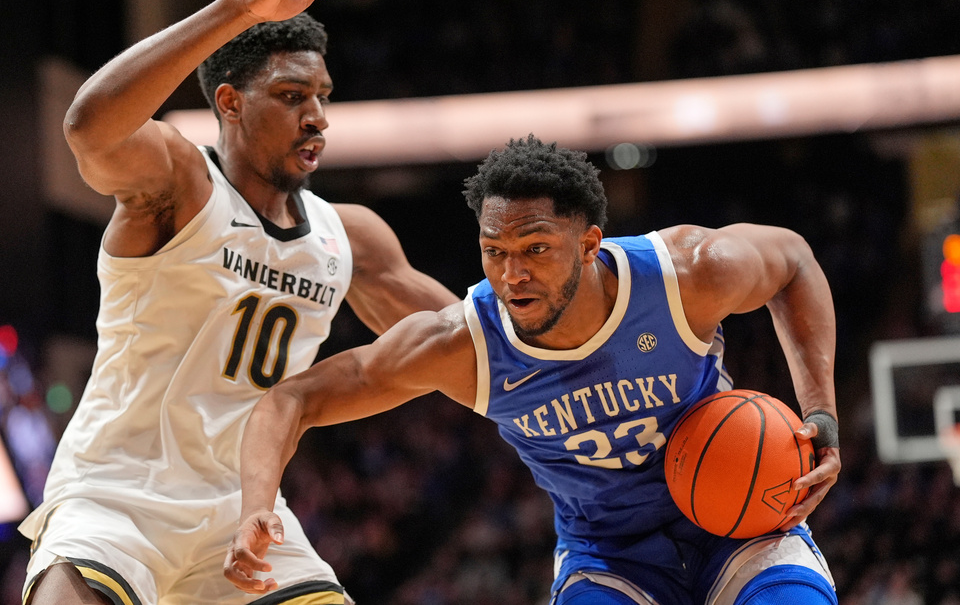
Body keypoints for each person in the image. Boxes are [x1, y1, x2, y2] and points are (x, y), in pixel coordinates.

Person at [18, 0, 458, 605]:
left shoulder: (352, 237)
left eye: (322, 97)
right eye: (290, 97)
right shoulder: (181, 183)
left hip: (242, 515)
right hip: (117, 500)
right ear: (229, 102)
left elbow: (465, 337)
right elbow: (90, 127)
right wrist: (241, 10)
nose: (316, 118)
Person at [225, 135, 843, 604]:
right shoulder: (463, 345)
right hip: (609, 558)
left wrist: (821, 415)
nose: (511, 275)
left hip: (747, 525)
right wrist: (257, 503)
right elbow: (293, 398)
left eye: (535, 250)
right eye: (494, 252)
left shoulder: (688, 276)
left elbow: (792, 262)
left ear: (589, 243)